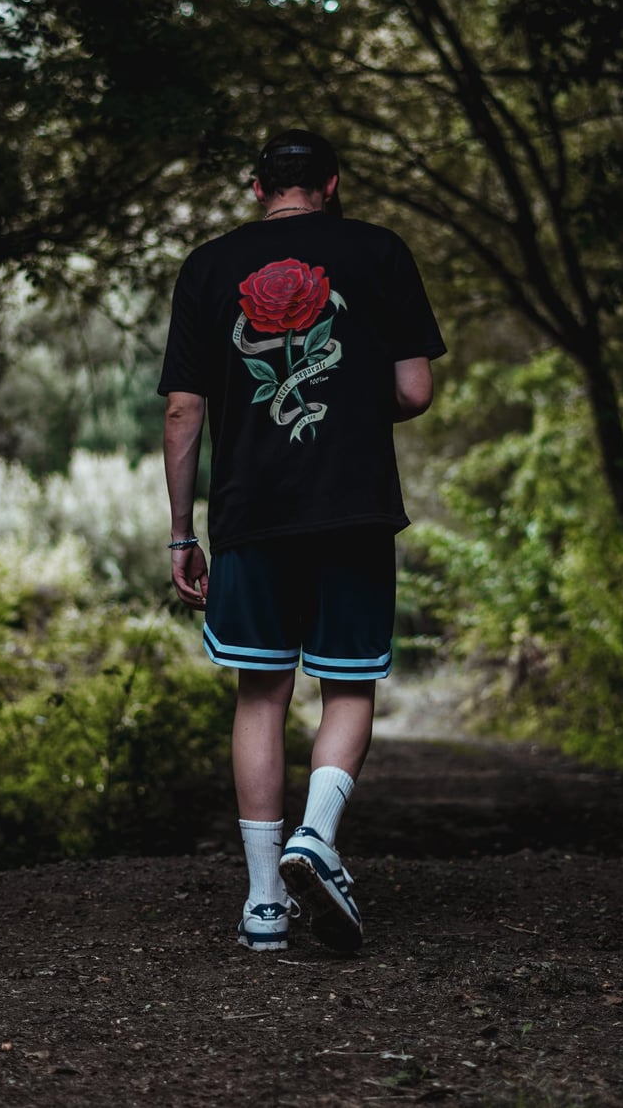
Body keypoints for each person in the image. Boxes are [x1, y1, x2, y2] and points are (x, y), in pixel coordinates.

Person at [158, 129, 445, 954]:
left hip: (251, 511)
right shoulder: (380, 251)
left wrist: (182, 530)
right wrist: (351, 395)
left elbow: (183, 410)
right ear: (333, 183)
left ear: (256, 189)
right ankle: (316, 836)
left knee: (262, 690)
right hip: (354, 506)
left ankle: (262, 904)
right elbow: (414, 387)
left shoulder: (208, 267)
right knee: (347, 681)